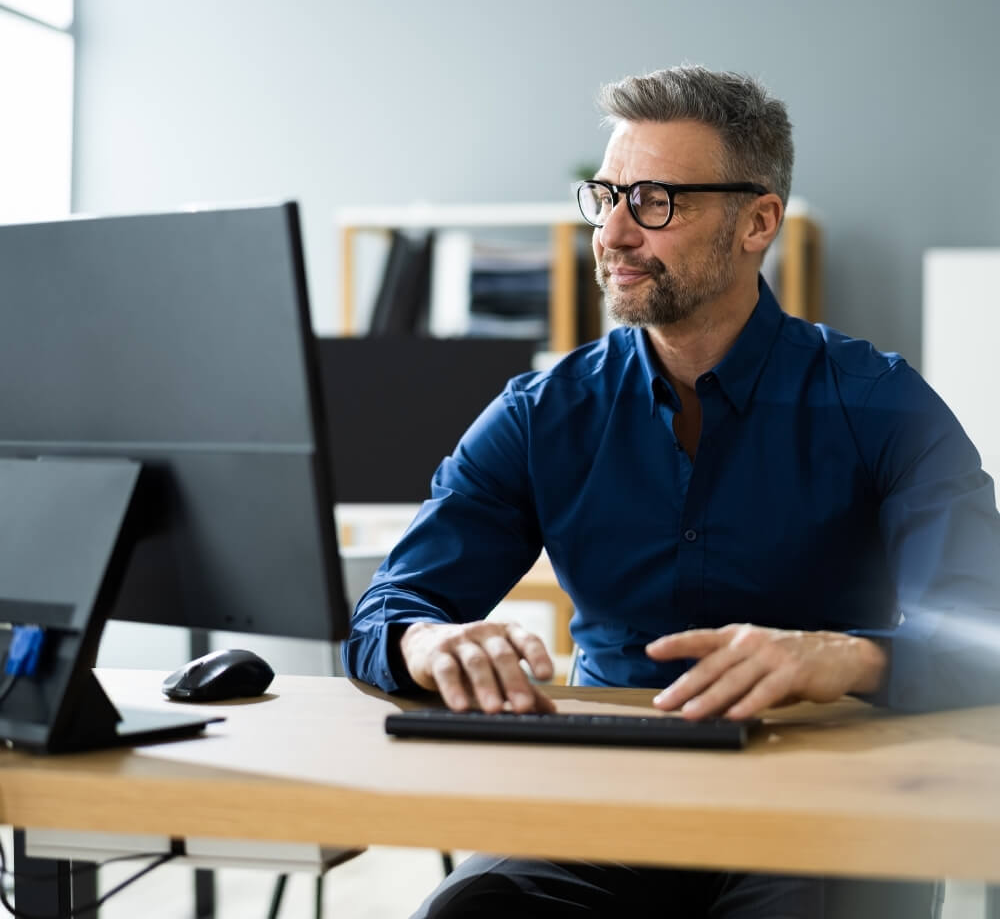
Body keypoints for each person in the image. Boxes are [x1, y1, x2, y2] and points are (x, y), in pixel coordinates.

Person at [343, 66, 1000, 918]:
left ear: (758, 221)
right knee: (467, 912)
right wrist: (428, 645)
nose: (613, 233)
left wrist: (841, 656)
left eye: (655, 200)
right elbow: (387, 612)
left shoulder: (880, 402)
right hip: (612, 796)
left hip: (826, 796)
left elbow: (986, 633)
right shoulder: (541, 415)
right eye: (606, 196)